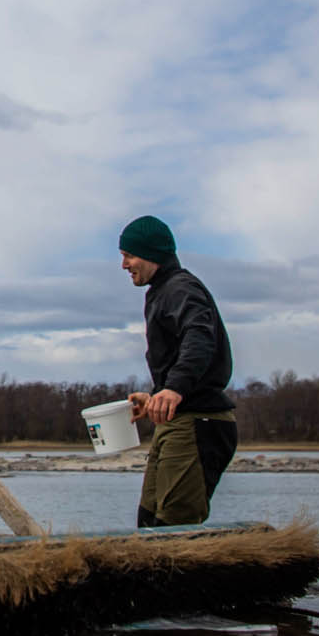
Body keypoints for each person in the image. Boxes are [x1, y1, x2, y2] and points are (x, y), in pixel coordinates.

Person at [119, 215, 238, 527]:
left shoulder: (181, 288)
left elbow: (199, 337)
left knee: (173, 529)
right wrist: (158, 397)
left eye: (128, 256)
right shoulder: (160, 291)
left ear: (151, 254)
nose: (124, 265)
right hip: (177, 420)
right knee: (148, 522)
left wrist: (174, 389)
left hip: (199, 423)